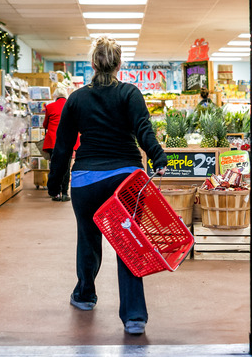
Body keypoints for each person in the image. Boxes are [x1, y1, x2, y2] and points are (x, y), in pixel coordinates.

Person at [47, 36, 167, 336]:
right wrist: (159, 158)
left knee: (88, 239)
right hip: (125, 180)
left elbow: (62, 147)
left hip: (87, 179)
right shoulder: (130, 93)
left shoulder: (76, 99)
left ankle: (85, 296)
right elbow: (144, 130)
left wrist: (54, 184)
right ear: (119, 64)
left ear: (92, 64)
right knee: (129, 244)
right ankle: (134, 316)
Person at [42, 87, 77, 201]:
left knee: (55, 166)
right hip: (67, 140)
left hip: (53, 140)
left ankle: (55, 193)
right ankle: (65, 193)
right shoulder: (71, 105)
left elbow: (45, 124)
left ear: (55, 96)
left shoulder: (50, 107)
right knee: (66, 166)